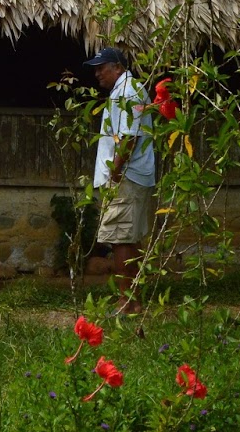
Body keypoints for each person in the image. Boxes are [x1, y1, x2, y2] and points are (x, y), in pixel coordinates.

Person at [88, 46, 155, 315]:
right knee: (128, 237)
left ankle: (127, 302)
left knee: (121, 238)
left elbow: (129, 136)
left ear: (117, 67)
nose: (97, 74)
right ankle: (132, 299)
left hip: (126, 176)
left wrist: (115, 173)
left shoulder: (128, 91)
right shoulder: (125, 90)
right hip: (131, 175)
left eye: (101, 68)